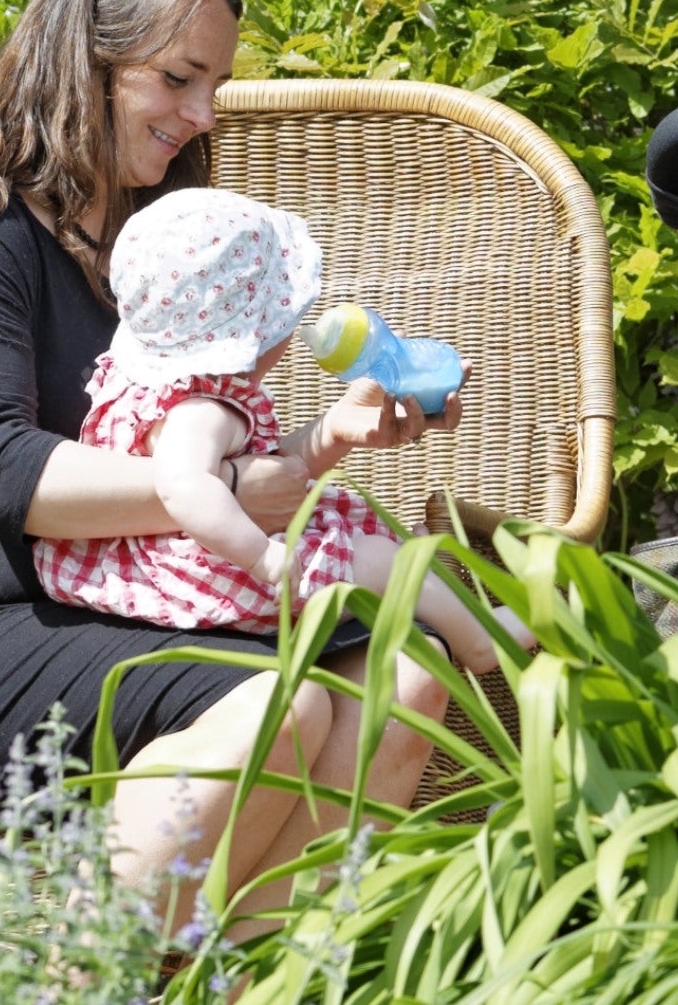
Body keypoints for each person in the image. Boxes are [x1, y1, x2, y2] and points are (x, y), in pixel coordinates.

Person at [0, 0, 460, 923]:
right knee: (277, 704)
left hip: (127, 607)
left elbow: (202, 456)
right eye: (177, 79)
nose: (203, 115)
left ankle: (260, 982)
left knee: (406, 675)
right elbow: (8, 477)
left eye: (211, 85)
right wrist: (226, 492)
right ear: (81, 59)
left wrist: (332, 437)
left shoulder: (151, 247)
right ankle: (94, 978)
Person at [31, 187, 521, 670]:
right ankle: (478, 642)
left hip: (162, 558)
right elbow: (182, 484)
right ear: (255, 333)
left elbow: (255, 478)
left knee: (355, 529)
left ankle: (418, 590)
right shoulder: (203, 407)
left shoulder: (143, 375)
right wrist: (260, 556)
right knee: (383, 563)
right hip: (202, 574)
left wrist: (330, 433)